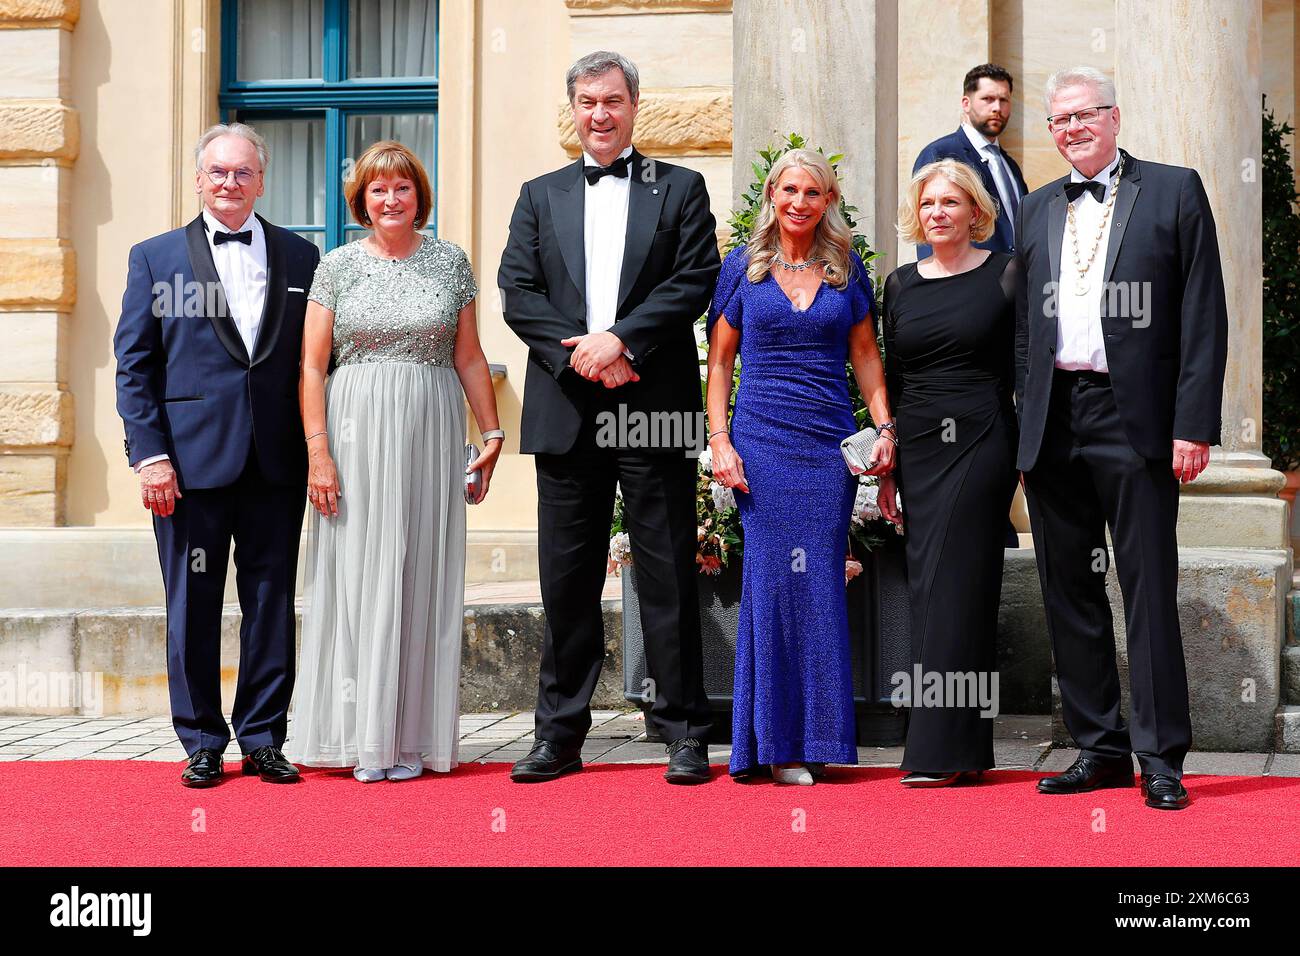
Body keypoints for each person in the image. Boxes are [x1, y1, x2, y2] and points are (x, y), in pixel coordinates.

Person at [498, 51, 719, 785]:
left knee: (665, 573)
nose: (600, 114)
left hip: (651, 404)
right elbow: (517, 291)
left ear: (634, 106)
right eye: (588, 101)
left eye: (613, 101)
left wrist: (622, 340)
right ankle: (558, 734)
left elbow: (696, 278)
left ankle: (685, 729)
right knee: (567, 580)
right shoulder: (540, 193)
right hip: (567, 409)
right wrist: (585, 357)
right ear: (573, 107)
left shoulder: (680, 186)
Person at [1015, 67, 1228, 810]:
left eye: (1083, 115)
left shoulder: (1174, 189)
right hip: (1053, 420)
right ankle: (1098, 749)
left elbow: (1203, 315)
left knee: (1147, 589)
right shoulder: (1037, 207)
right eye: (1058, 120)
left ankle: (1161, 756)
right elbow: (1021, 329)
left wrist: (1193, 426)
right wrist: (1022, 418)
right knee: (1068, 592)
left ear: (1113, 116)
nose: (1071, 129)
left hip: (1133, 419)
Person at [283, 141, 501, 782]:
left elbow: (468, 356)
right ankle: (354, 735)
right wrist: (318, 452)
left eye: (402, 188)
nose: (390, 199)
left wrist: (490, 434)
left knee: (417, 571)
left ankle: (408, 738)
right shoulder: (338, 267)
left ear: (418, 196)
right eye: (378, 190)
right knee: (358, 573)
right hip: (354, 433)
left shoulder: (449, 264)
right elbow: (313, 365)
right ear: (362, 200)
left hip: (431, 432)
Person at [114, 123, 320, 787]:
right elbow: (134, 365)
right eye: (218, 172)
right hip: (188, 467)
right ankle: (202, 740)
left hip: (276, 464)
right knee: (193, 604)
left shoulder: (302, 256)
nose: (230, 183)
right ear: (199, 179)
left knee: (270, 602)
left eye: (243, 173)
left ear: (262, 180)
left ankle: (262, 737)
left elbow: (317, 363)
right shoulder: (156, 257)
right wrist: (149, 457)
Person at [707, 149, 894, 786]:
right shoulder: (744, 267)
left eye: (813, 192)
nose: (800, 202)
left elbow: (866, 357)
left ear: (828, 200)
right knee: (768, 587)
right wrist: (721, 441)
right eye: (790, 189)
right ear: (772, 194)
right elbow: (720, 363)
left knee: (815, 587)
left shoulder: (846, 269)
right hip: (761, 442)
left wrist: (883, 426)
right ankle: (769, 744)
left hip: (826, 449)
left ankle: (812, 738)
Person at [882, 159, 1020, 786]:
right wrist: (885, 468)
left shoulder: (1006, 274)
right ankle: (957, 750)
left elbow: (1022, 369)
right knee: (924, 588)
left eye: (951, 202)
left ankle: (939, 752)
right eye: (929, 203)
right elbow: (893, 377)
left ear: (975, 212)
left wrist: (1022, 456)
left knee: (959, 586)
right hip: (915, 448)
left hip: (981, 440)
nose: (939, 212)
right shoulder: (900, 284)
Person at [914, 64, 1027, 260]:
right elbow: (929, 232)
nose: (997, 108)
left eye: (1004, 100)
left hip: (1015, 281)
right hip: (965, 280)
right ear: (966, 103)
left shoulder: (1010, 165)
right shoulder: (941, 153)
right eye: (988, 99)